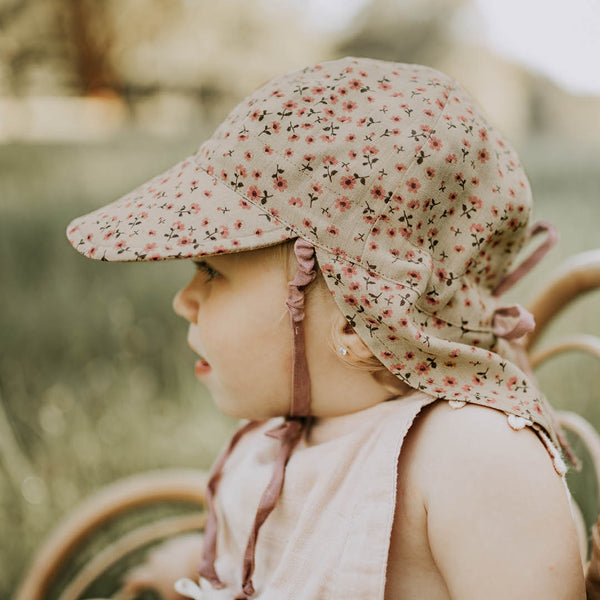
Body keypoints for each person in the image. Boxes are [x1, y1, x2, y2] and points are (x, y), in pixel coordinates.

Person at [66, 57, 586, 599]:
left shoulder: (473, 458)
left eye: (211, 271)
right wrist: (205, 567)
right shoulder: (297, 428)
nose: (183, 301)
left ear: (359, 319)